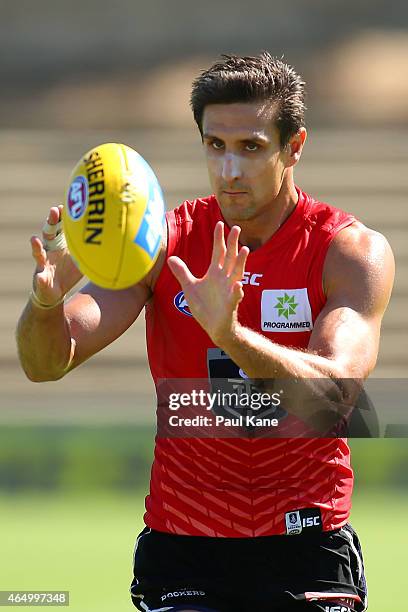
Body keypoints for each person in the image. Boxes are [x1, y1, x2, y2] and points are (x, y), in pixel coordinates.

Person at [16, 53, 394, 612]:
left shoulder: (347, 251)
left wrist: (231, 333)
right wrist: (45, 302)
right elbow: (47, 362)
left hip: (306, 544)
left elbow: (338, 395)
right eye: (215, 146)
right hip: (183, 548)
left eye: (251, 147)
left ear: (295, 147)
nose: (230, 170)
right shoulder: (163, 245)